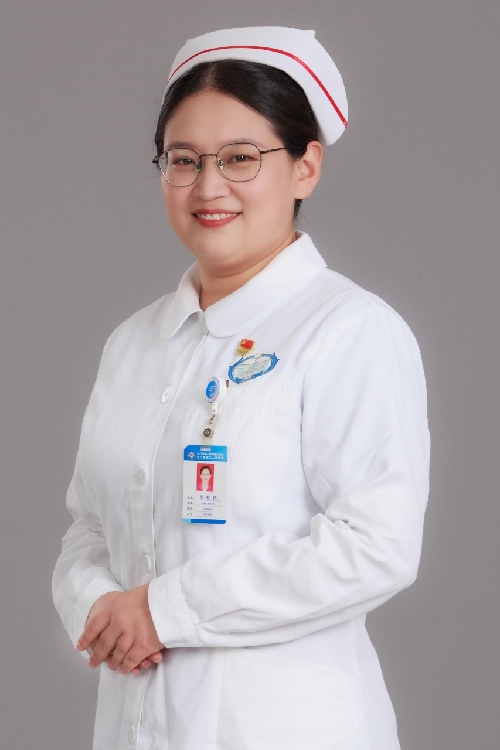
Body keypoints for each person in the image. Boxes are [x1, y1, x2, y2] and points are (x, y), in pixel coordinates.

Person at [52, 26, 430, 750]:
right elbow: (88, 529)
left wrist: (164, 611)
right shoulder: (132, 343)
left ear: (305, 167)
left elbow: (375, 545)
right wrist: (100, 608)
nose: (208, 186)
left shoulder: (348, 330)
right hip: (134, 726)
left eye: (240, 157)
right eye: (183, 160)